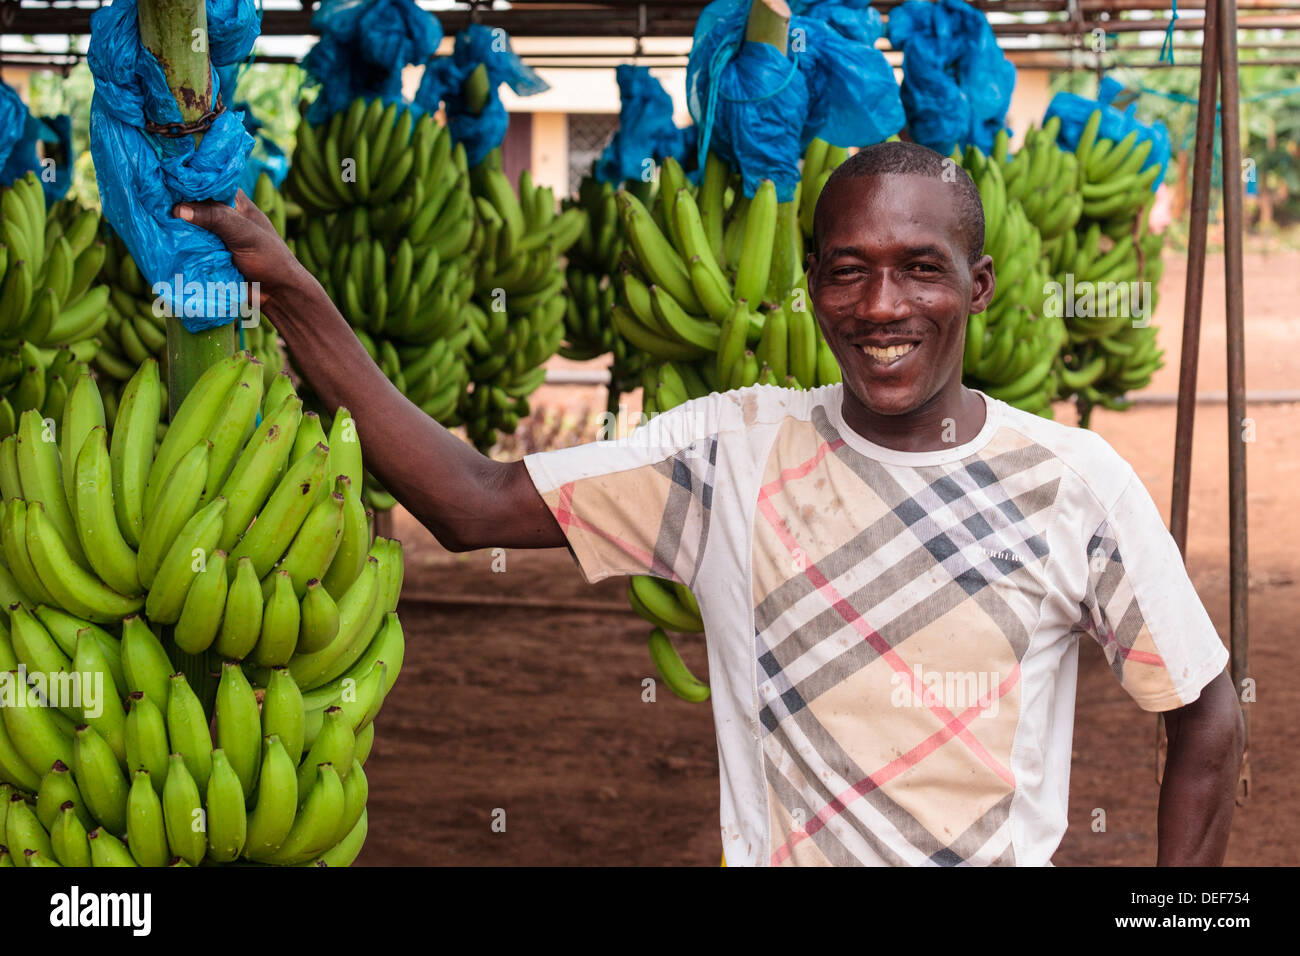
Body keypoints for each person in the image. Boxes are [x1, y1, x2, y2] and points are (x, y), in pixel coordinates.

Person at [174, 140, 1243, 867]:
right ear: (811, 281)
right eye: (847, 271)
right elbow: (472, 501)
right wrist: (295, 294)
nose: (881, 306)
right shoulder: (730, 451)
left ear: (981, 283)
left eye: (921, 268)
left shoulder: (1071, 482)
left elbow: (1203, 706)